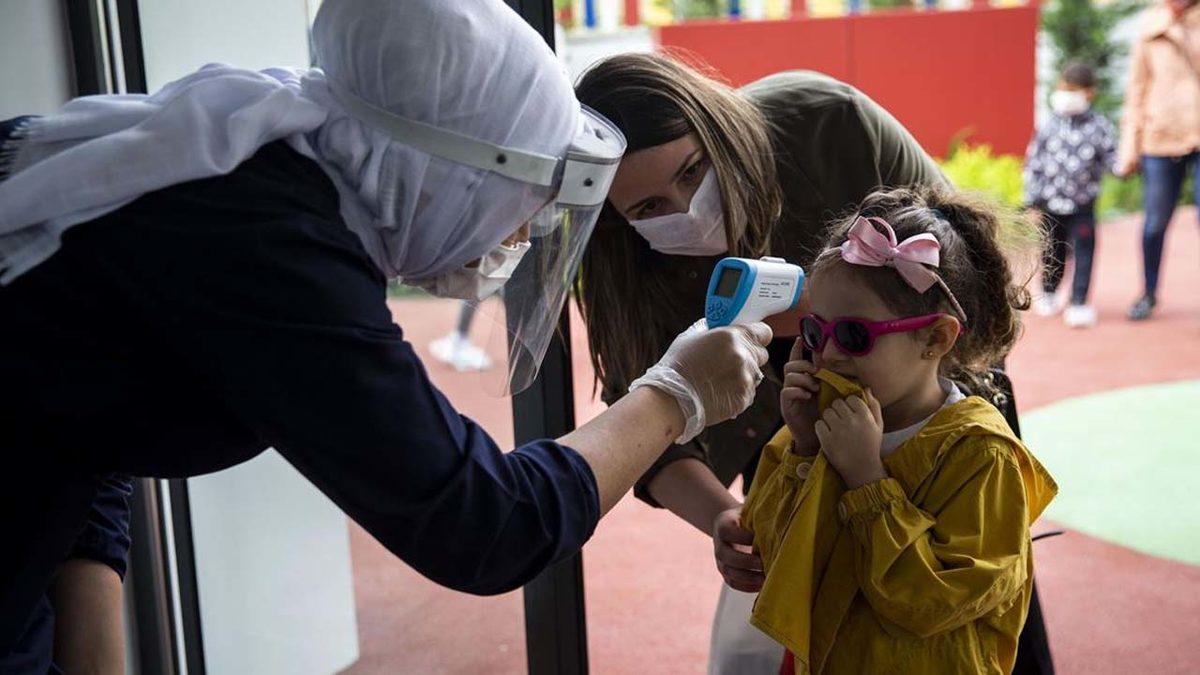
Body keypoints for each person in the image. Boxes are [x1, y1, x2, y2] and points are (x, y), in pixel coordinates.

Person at [0, 1, 773, 670]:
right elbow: (483, 523)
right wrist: (674, 393)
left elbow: (85, 410)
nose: (523, 227)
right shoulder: (270, 246)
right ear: (445, 173)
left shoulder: (253, 157)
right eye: (518, 194)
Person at [573, 52, 946, 671]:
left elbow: (970, 275)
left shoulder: (828, 123)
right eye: (648, 210)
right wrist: (726, 518)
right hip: (796, 464)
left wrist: (806, 314)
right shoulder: (623, 262)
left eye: (693, 171)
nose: (685, 208)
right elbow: (644, 419)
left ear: (716, 126)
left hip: (939, 426)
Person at [735, 186, 1057, 674]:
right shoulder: (816, 424)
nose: (827, 355)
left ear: (935, 338)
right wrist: (801, 449)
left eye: (854, 335)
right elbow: (773, 560)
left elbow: (932, 605)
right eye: (816, 332)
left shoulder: (982, 456)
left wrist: (867, 481)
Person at [1116, 0, 1200, 320]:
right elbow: (1136, 90)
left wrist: (1183, 34)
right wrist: (1129, 147)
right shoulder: (1150, 24)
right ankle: (1148, 292)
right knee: (1154, 223)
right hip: (1160, 135)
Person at [1023, 62, 1116, 328]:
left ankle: (1079, 301)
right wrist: (1032, 197)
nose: (1065, 95)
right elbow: (1034, 161)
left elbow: (1113, 159)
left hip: (1083, 204)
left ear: (1089, 93)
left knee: (1085, 252)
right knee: (1052, 249)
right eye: (1063, 88)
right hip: (1051, 202)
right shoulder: (1049, 124)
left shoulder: (1099, 127)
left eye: (1072, 90)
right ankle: (1050, 291)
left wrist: (1128, 164)